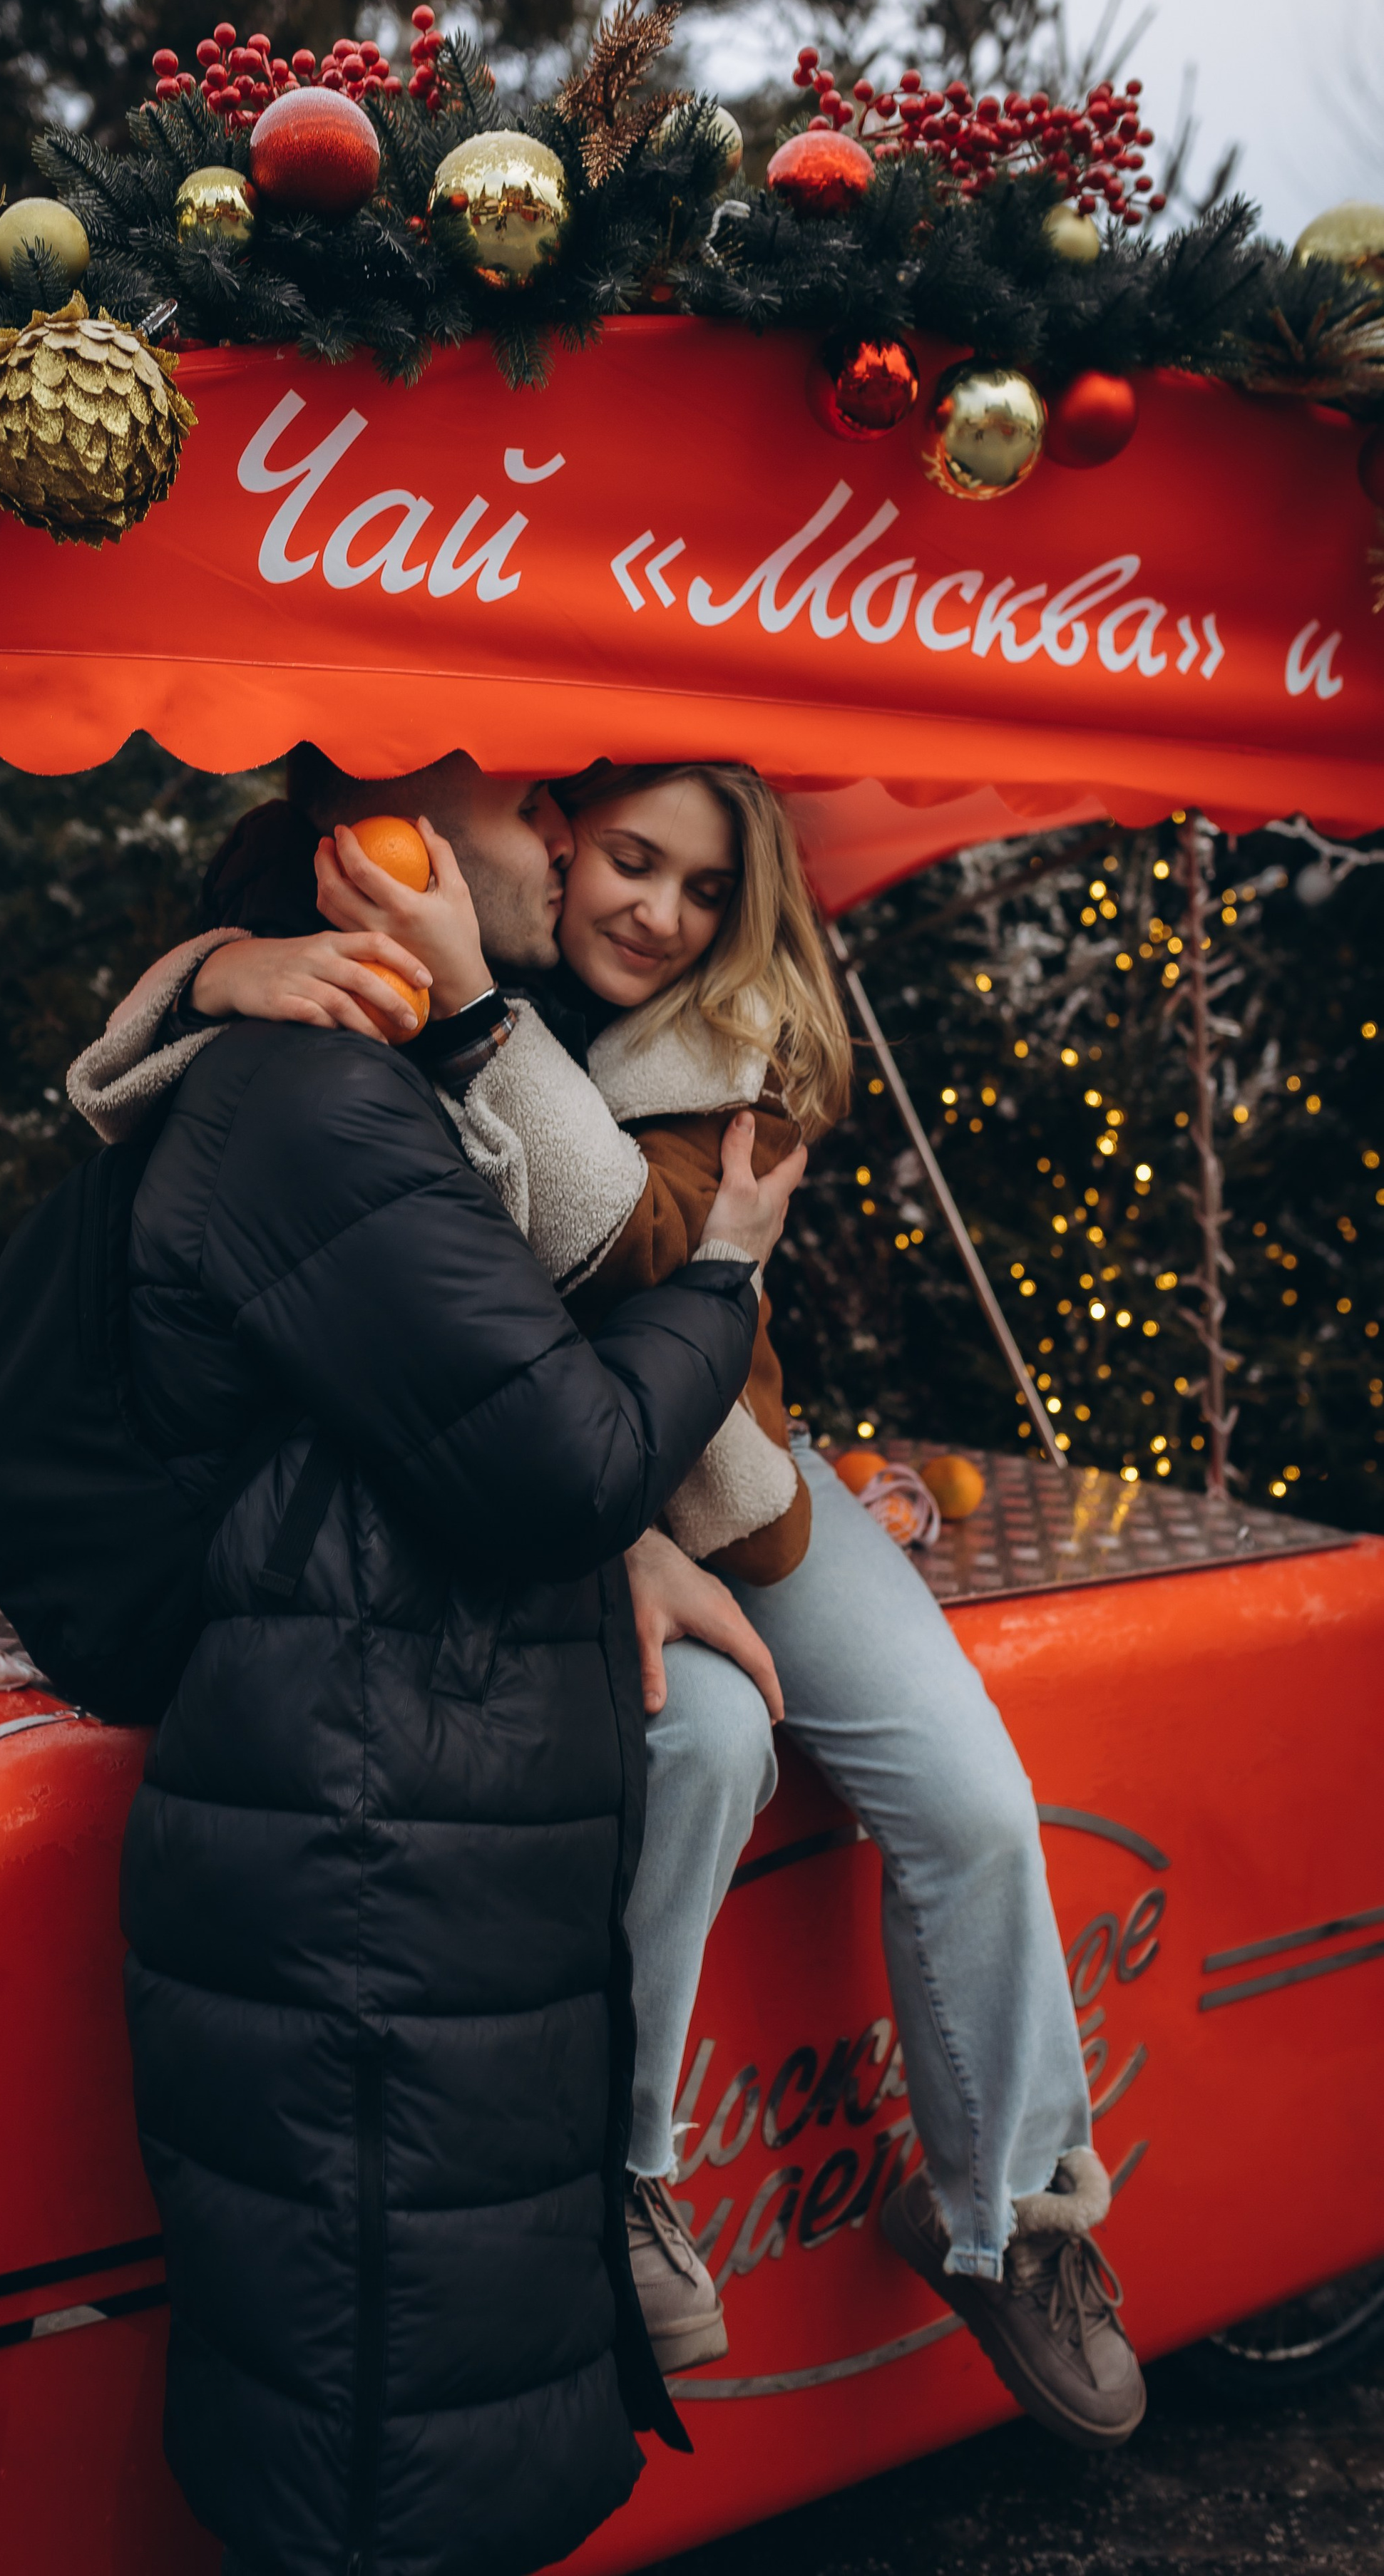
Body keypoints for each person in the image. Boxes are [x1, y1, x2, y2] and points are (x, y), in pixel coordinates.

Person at [121, 748, 1147, 2455]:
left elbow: (643, 1250)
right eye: (625, 857)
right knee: (700, 1742)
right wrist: (230, 966)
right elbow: (192, 1009)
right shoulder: (454, 938)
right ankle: (622, 2177)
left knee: (969, 1795)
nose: (658, 914)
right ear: (555, 836)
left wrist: (474, 1018)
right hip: (533, 1493)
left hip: (727, 1485)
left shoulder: (722, 1042)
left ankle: (1012, 2214)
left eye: (702, 889)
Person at [65, 755, 806, 2576]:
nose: (563, 836)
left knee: (429, 2380)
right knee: (386, 2413)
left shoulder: (357, 1062)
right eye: (528, 799)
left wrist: (209, 966)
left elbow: (449, 1396)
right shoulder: (318, 1102)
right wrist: (721, 1275)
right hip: (373, 1836)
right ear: (382, 840)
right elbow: (560, 1454)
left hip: (414, 1816)